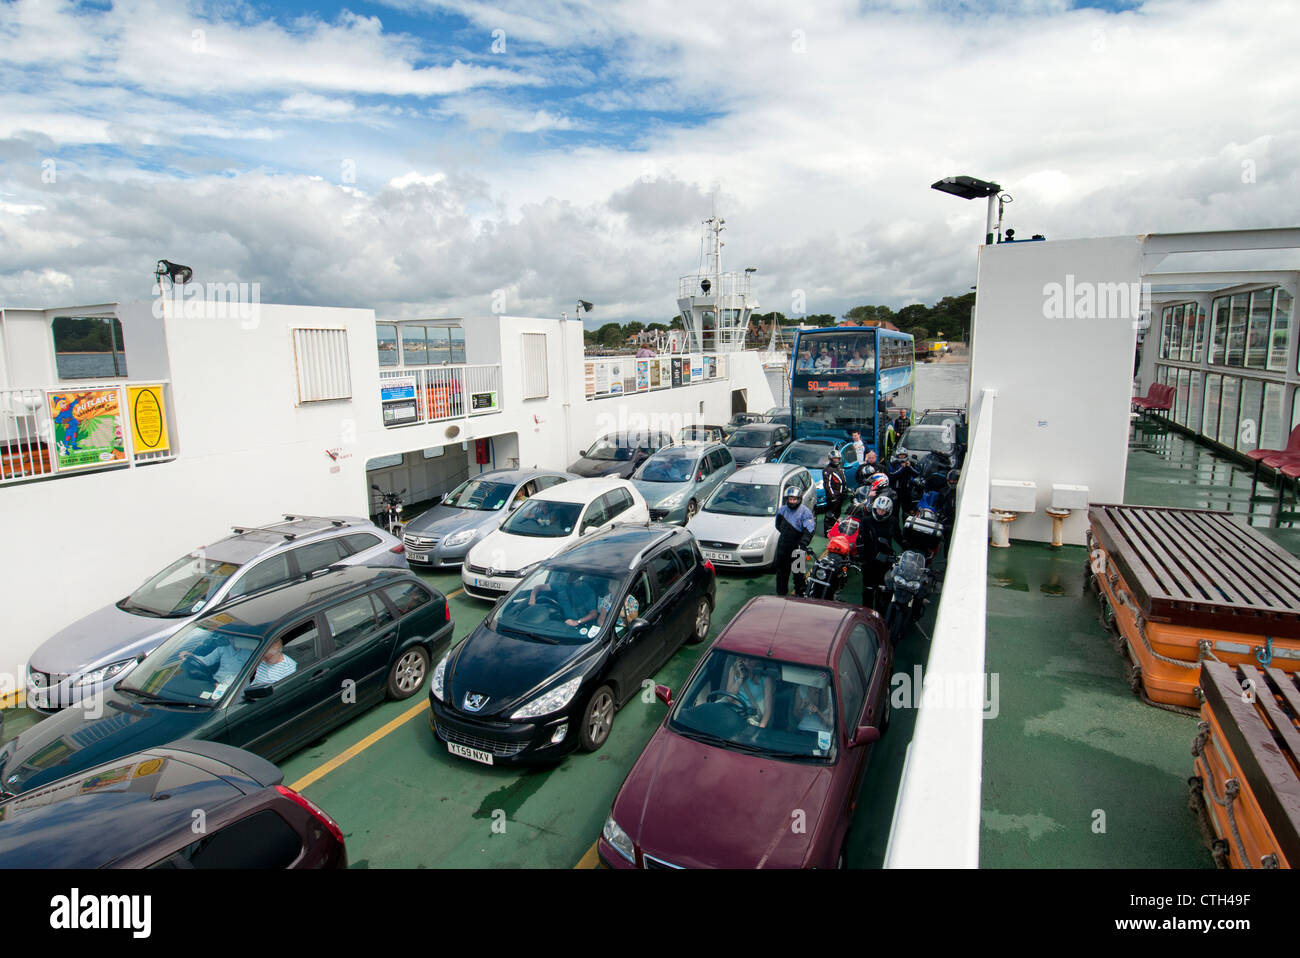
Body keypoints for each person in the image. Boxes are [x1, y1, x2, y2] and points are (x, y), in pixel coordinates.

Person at [857, 494, 903, 611]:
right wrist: (865, 557)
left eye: (883, 510)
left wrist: (909, 548)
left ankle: (879, 615)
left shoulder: (893, 521)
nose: (880, 512)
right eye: (879, 509)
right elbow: (861, 541)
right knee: (868, 590)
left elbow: (899, 538)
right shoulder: (866, 521)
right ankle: (866, 613)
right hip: (869, 561)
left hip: (886, 561)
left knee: (882, 592)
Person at [773, 484, 815, 597]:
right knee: (781, 573)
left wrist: (803, 543)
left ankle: (800, 594)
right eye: (790, 499)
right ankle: (781, 594)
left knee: (798, 574)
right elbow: (778, 525)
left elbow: (809, 530)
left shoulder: (805, 512)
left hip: (798, 548)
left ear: (799, 499)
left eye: (794, 499)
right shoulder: (782, 510)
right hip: (783, 547)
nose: (792, 501)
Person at [180, 637, 253, 687]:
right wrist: (191, 656)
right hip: (215, 681)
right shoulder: (224, 646)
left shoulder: (252, 650)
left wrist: (223, 686)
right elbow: (206, 661)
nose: (231, 639)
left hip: (234, 687)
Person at [726, 657, 774, 728]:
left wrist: (761, 727)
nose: (747, 662)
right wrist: (740, 678)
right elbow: (729, 698)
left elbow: (768, 708)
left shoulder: (766, 678)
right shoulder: (734, 670)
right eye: (744, 660)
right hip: (733, 710)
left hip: (751, 715)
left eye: (751, 659)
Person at [822, 450, 848, 537]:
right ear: (831, 459)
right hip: (833, 497)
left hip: (840, 496)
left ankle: (835, 529)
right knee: (830, 514)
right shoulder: (827, 470)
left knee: (837, 513)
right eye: (834, 459)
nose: (836, 460)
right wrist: (832, 496)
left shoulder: (840, 468)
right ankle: (827, 532)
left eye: (837, 458)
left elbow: (843, 480)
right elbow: (827, 485)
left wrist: (846, 490)